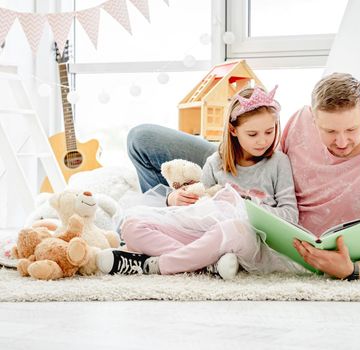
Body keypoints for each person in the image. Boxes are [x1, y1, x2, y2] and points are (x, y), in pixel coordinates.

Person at [126, 73, 360, 280]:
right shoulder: (301, 120)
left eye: (351, 130)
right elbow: (265, 161)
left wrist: (353, 270)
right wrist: (186, 194)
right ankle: (176, 232)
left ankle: (172, 253)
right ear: (313, 116)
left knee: (228, 230)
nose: (342, 141)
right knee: (142, 138)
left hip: (270, 233)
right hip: (238, 182)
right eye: (330, 132)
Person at [97, 86, 300, 279]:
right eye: (253, 134)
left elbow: (290, 215)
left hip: (247, 241)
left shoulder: (278, 163)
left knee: (232, 227)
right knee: (132, 226)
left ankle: (157, 265)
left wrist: (246, 205)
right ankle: (205, 263)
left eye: (269, 131)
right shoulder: (216, 163)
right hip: (205, 236)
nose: (263, 141)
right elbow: (199, 206)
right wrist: (175, 199)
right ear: (233, 130)